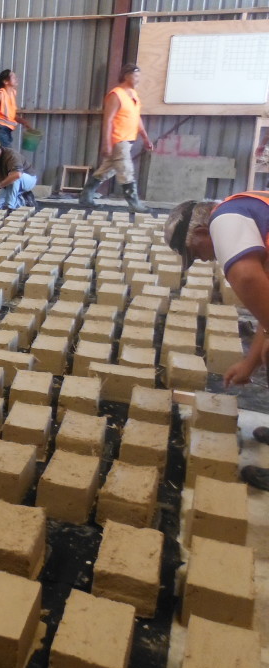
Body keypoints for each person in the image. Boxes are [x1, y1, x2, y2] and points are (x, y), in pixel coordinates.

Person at [164, 192, 269, 490]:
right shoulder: (247, 213)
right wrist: (250, 362)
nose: (201, 259)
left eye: (194, 252)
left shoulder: (224, 219)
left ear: (200, 231)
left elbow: (248, 280)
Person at [78, 63, 153, 213]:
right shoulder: (116, 94)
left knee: (106, 170)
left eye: (139, 76)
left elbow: (136, 118)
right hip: (119, 139)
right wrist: (106, 143)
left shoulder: (133, 94)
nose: (138, 79)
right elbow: (108, 120)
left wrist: (145, 137)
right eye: (135, 76)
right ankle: (134, 204)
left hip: (128, 139)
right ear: (126, 76)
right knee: (126, 170)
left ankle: (86, 197)